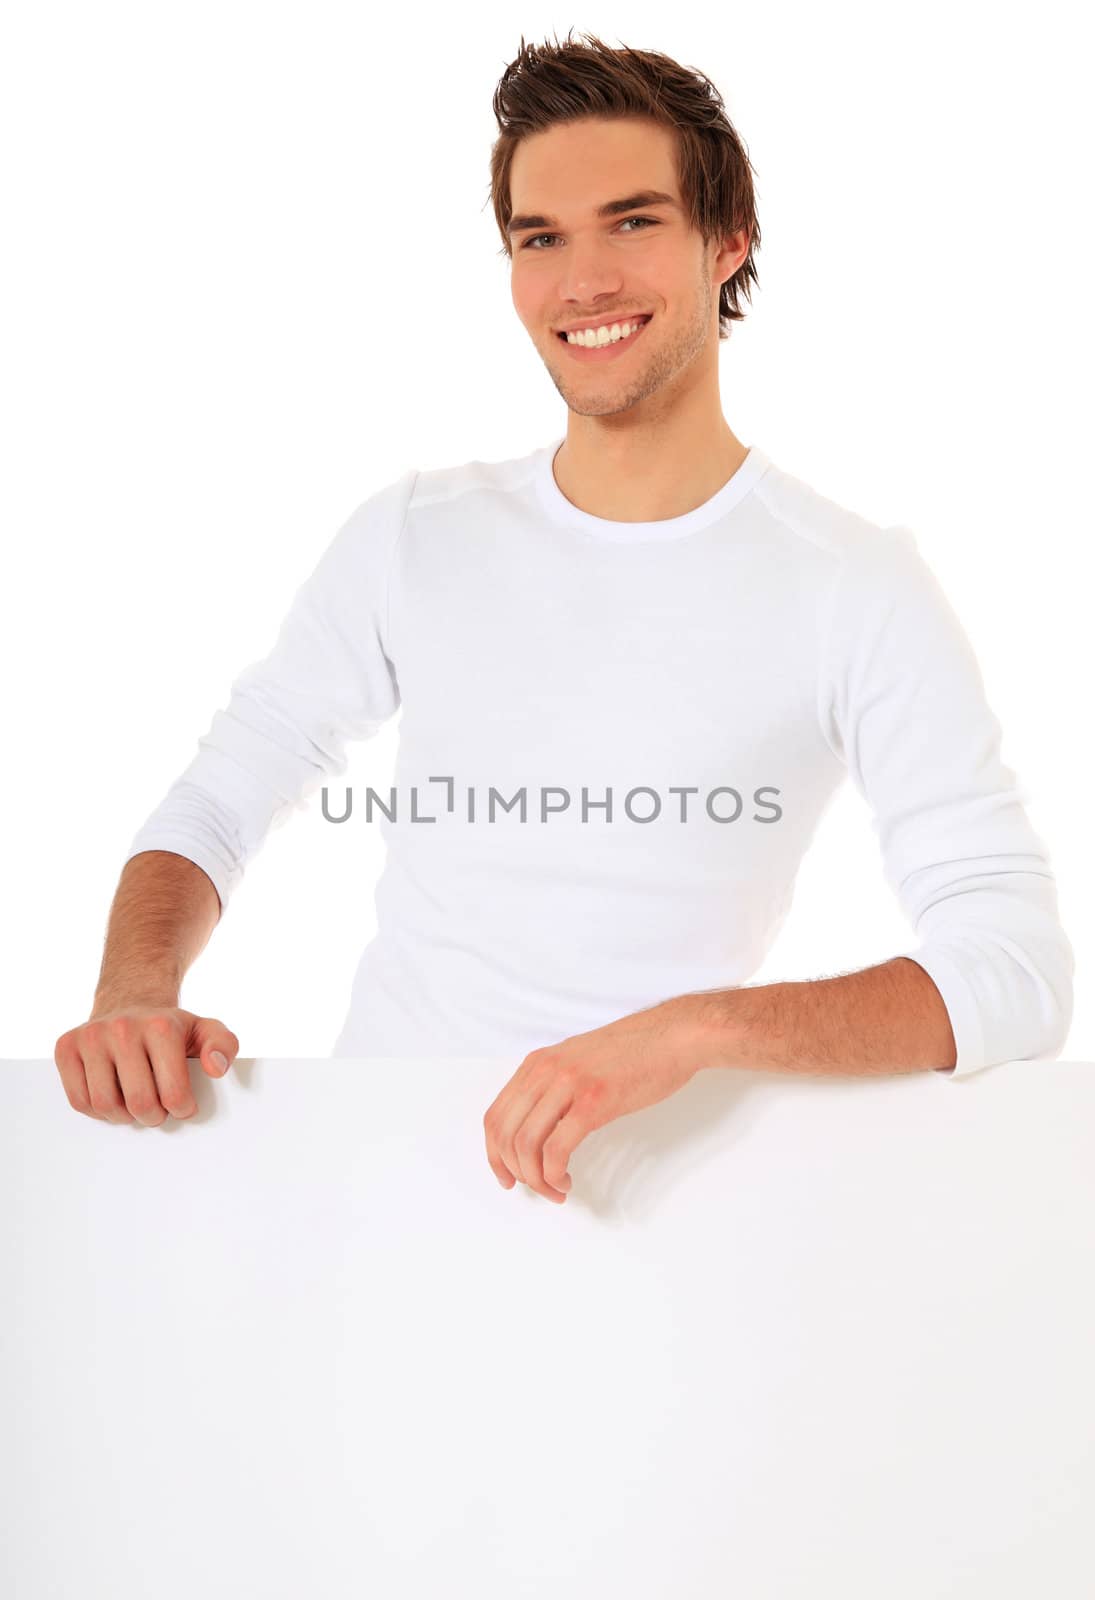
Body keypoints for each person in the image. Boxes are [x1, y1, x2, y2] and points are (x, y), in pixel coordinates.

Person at [55, 30, 1073, 1203]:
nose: (581, 280)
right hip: (364, 1184)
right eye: (541, 238)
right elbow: (231, 784)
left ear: (726, 240)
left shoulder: (854, 583)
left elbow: (1015, 969)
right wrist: (134, 989)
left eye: (632, 222)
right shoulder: (416, 533)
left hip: (642, 1210)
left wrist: (692, 1033)